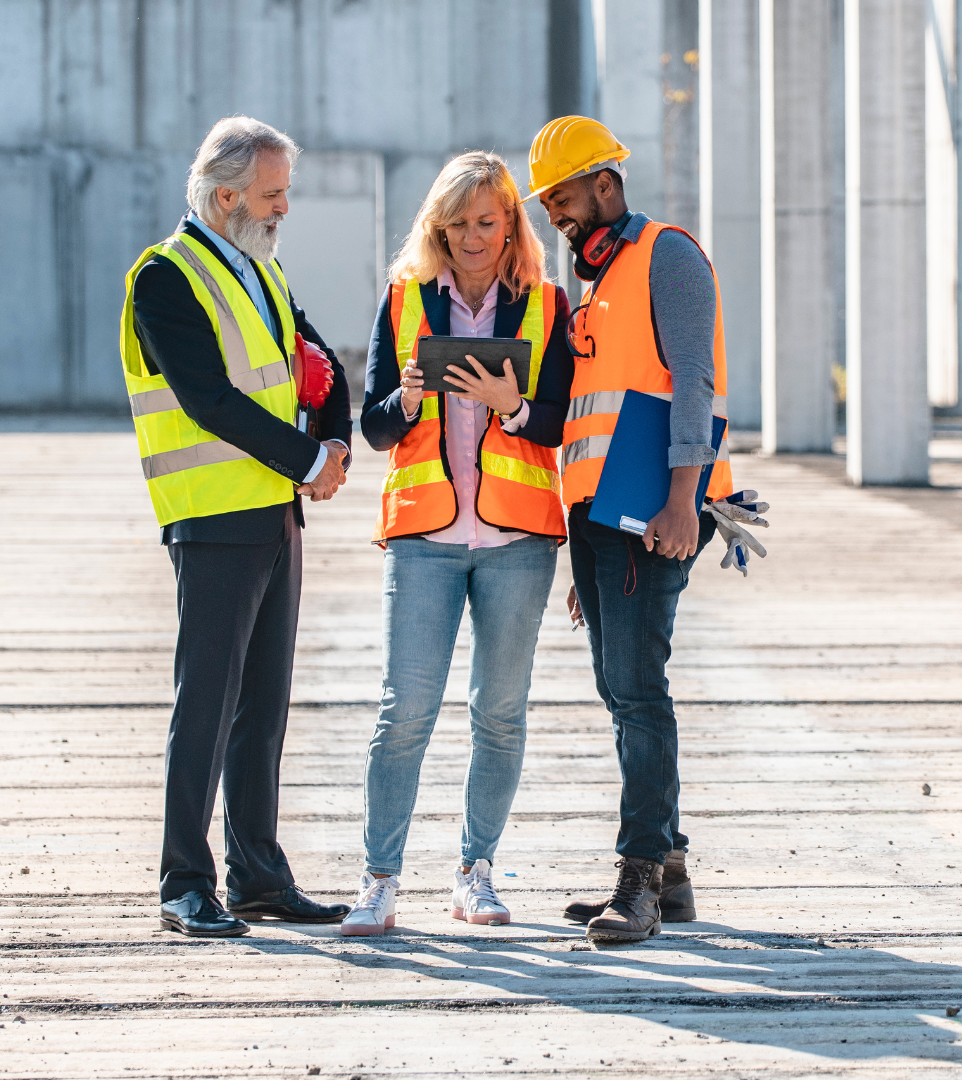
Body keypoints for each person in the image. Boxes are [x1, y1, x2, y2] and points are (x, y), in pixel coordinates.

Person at [119, 115, 354, 937]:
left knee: (264, 704)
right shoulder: (165, 277)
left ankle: (257, 873)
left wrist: (335, 442)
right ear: (226, 197)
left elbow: (319, 361)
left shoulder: (262, 270)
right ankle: (185, 881)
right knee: (208, 703)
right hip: (213, 518)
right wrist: (308, 459)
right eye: (273, 193)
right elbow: (208, 399)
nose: (284, 208)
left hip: (273, 513)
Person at [338, 151, 578, 936]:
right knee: (403, 710)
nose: (474, 236)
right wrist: (403, 400)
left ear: (511, 224)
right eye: (460, 222)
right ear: (438, 226)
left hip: (517, 541)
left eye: (489, 220)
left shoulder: (547, 304)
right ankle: (379, 878)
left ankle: (477, 872)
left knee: (499, 713)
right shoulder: (405, 298)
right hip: (426, 538)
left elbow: (558, 424)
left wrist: (514, 406)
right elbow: (372, 429)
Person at [523, 116, 733, 944]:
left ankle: (639, 879)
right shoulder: (595, 282)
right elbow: (593, 414)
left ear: (605, 184)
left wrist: (684, 500)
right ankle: (671, 875)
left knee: (639, 690)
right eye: (547, 203)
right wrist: (588, 559)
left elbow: (694, 381)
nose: (554, 215)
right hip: (602, 517)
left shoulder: (667, 256)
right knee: (622, 689)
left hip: (657, 509)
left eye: (563, 197)